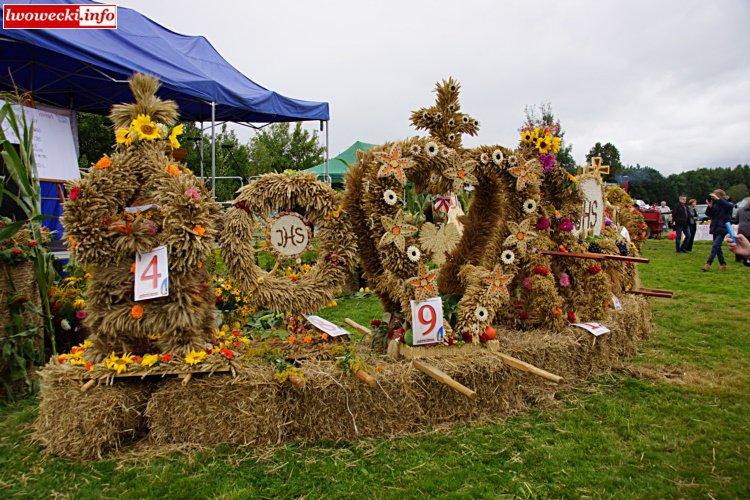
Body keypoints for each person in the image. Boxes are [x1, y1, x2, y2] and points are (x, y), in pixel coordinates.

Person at [703, 189, 734, 272]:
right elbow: (710, 215)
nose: (713, 196)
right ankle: (723, 264)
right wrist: (710, 206)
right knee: (718, 247)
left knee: (715, 245)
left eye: (715, 195)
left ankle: (708, 264)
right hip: (715, 227)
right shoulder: (716, 203)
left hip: (723, 227)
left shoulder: (728, 202)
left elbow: (729, 207)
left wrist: (718, 199)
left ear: (719, 195)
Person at [735, 197, 750, 262]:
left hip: (741, 229)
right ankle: (747, 257)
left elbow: (736, 220)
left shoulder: (740, 210)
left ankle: (738, 258)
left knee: (740, 243)